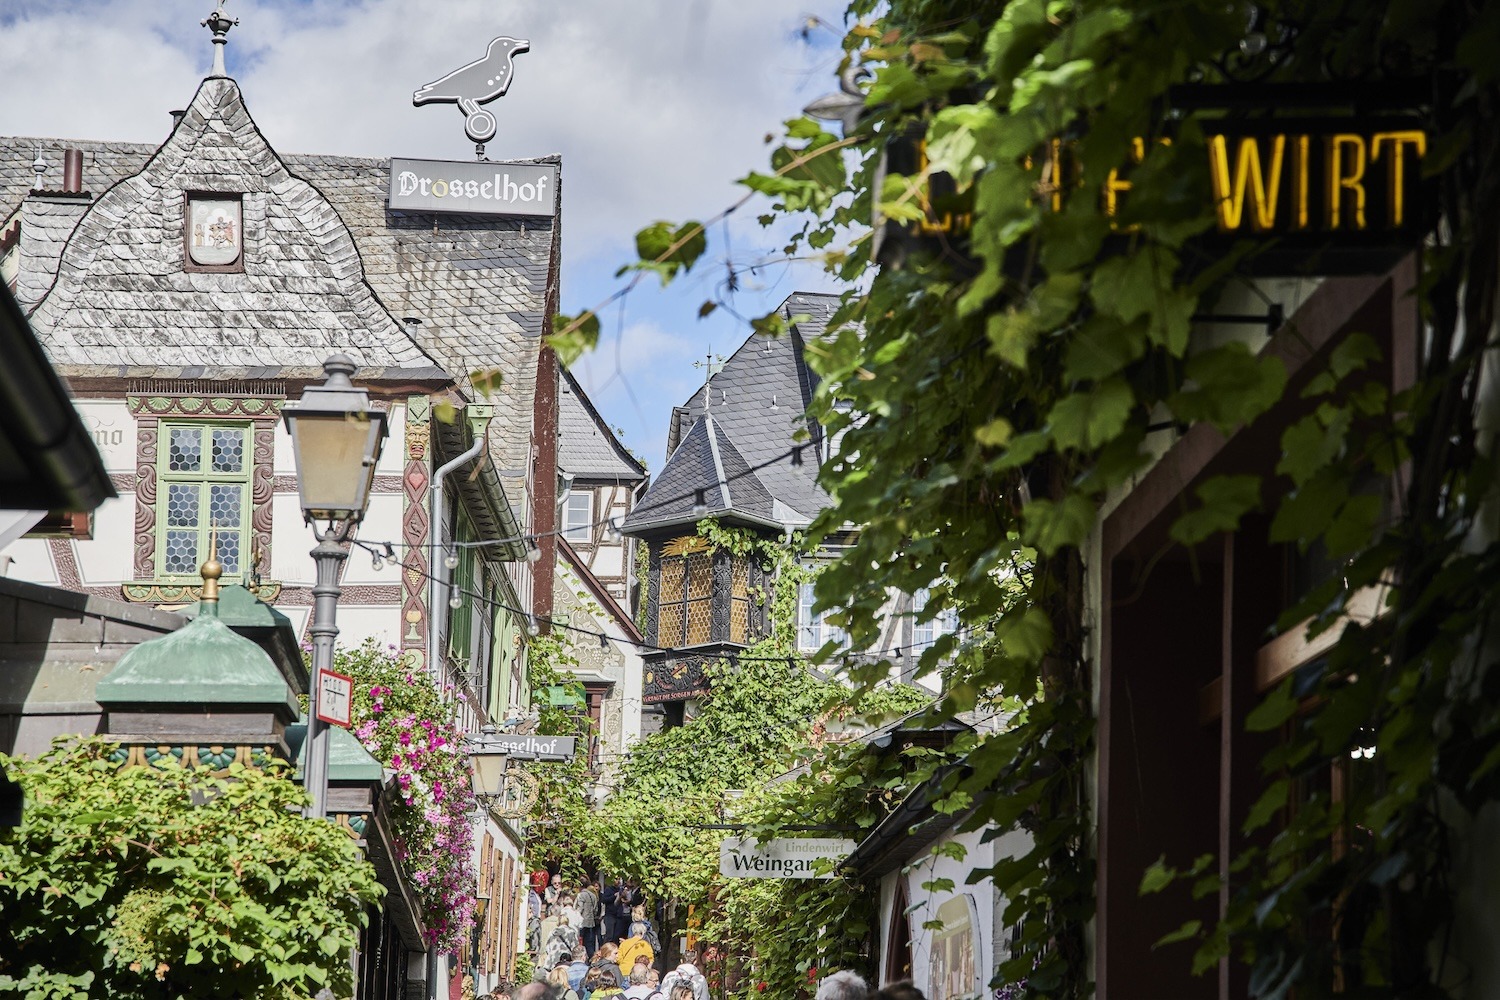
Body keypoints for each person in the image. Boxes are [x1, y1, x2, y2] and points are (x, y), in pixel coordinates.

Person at [576, 879, 602, 955]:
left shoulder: (581, 895)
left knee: (580, 942)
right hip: (591, 922)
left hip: (582, 922)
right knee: (589, 944)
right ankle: (591, 958)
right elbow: (595, 909)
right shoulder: (593, 895)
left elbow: (580, 908)